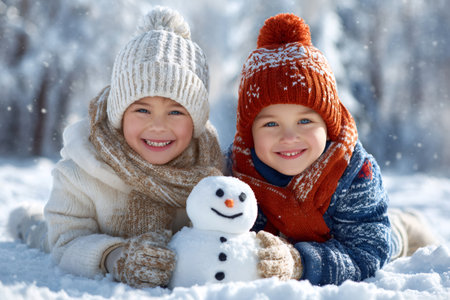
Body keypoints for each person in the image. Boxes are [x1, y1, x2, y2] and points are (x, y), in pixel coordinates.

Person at [8, 6, 223, 288]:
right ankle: (26, 220)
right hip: (68, 232)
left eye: (176, 112)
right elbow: (68, 243)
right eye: (142, 110)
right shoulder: (83, 169)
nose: (158, 126)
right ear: (118, 114)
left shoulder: (210, 170)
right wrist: (115, 256)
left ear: (196, 121)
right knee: (44, 235)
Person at [229, 13, 437, 285]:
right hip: (291, 242)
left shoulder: (353, 172)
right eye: (270, 124)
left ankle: (407, 226)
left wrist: (300, 262)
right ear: (249, 133)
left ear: (329, 126)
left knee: (390, 238)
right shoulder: (238, 172)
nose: (289, 136)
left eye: (305, 121)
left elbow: (365, 254)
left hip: (362, 235)